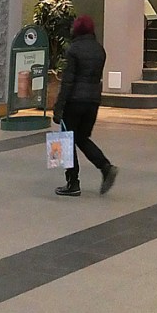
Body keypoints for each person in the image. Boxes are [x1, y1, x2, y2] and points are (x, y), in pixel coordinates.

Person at [52, 15, 118, 197]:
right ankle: (105, 166)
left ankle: (72, 183)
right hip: (93, 101)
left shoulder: (73, 50)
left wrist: (58, 107)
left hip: (74, 101)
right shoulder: (99, 50)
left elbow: (68, 81)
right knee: (81, 137)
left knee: (65, 140)